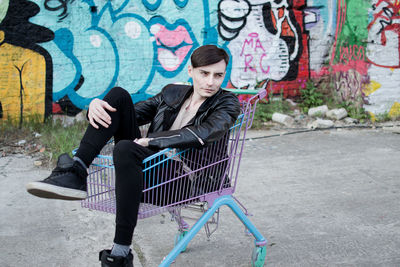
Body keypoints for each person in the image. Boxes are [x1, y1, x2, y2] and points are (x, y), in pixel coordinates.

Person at [26, 45, 240, 267]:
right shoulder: (172, 94)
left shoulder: (227, 103)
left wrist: (152, 141)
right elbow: (124, 113)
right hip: (151, 171)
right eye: (204, 73)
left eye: (218, 75)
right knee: (117, 96)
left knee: (126, 148)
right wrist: (95, 107)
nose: (210, 82)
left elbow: (205, 132)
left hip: (184, 181)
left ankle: (119, 253)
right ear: (191, 71)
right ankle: (77, 170)